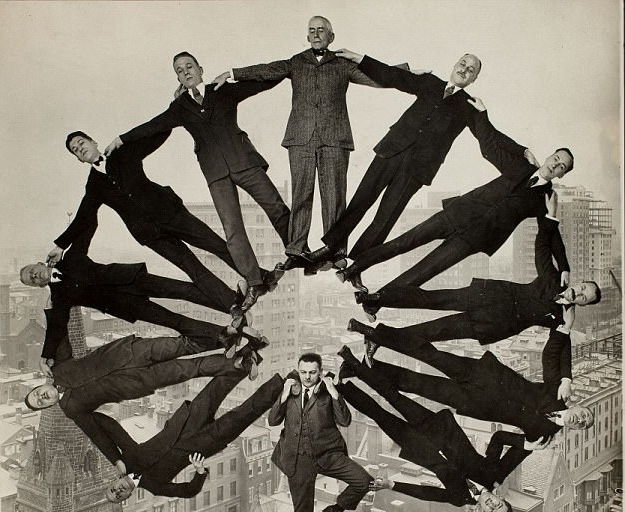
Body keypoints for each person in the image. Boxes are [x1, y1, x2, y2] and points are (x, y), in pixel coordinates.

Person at [105, 51, 290, 314]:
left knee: (275, 206)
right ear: (178, 78)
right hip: (216, 175)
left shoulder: (222, 90)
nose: (186, 72)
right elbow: (152, 126)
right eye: (180, 71)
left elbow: (265, 81)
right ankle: (255, 281)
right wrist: (121, 139)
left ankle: (296, 252)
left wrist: (237, 73)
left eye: (189, 66)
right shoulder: (179, 107)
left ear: (200, 69)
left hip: (245, 162)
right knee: (232, 230)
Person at [347, 105, 574, 303]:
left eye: (562, 166)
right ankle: (354, 269)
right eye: (556, 158)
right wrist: (484, 115)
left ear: (562, 175)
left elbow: (551, 236)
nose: (556, 165)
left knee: (423, 272)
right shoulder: (521, 165)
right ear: (549, 156)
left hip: (475, 239)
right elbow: (490, 146)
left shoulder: (547, 200)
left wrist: (563, 266)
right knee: (404, 242)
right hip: (457, 213)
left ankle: (375, 301)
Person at [213, 16, 388, 261]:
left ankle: (336, 251)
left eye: (322, 30)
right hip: (300, 138)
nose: (316, 34)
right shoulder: (296, 62)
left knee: (335, 197)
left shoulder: (342, 64)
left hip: (335, 140)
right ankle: (296, 249)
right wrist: (232, 73)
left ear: (331, 37)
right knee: (301, 194)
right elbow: (266, 70)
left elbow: (376, 78)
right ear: (307, 37)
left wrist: (408, 74)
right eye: (312, 31)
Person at [302, 50, 484, 283]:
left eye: (471, 70)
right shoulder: (430, 82)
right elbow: (390, 76)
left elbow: (489, 138)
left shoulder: (470, 107)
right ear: (455, 63)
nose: (464, 70)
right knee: (361, 200)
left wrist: (518, 148)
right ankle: (330, 249)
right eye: (463, 63)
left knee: (385, 218)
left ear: (474, 79)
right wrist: (359, 58)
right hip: (391, 150)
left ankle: (356, 265)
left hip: (418, 169)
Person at [348, 203, 601, 361]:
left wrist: (566, 329)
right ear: (578, 283)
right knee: (430, 298)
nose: (578, 294)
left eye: (584, 298)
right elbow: (542, 246)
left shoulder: (561, 319)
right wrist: (551, 217)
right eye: (582, 288)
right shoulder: (554, 279)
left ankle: (378, 336)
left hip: (491, 324)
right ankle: (376, 298)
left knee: (430, 332)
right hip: (484, 295)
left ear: (584, 305)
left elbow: (556, 354)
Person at [47, 130, 242, 322]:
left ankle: (258, 278)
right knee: (192, 267)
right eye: (75, 150)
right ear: (79, 160)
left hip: (171, 214)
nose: (79, 149)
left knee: (215, 244)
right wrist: (60, 246)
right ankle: (232, 303)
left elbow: (157, 135)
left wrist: (124, 138)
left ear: (93, 142)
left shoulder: (122, 154)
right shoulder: (94, 186)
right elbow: (83, 218)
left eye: (81, 143)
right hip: (149, 234)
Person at [338, 345, 532, 512]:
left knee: (378, 414)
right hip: (437, 428)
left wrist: (392, 485)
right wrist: (528, 443)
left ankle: (341, 386)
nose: (492, 506)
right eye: (499, 505)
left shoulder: (459, 499)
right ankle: (354, 363)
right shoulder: (494, 475)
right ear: (500, 499)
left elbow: (427, 494)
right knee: (393, 396)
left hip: (417, 446)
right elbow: (500, 439)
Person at [24, 332, 263, 462]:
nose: (42, 397)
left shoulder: (59, 368)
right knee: (190, 369)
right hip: (137, 383)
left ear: (39, 387)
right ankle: (243, 359)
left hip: (129, 352)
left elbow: (59, 333)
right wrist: (117, 460)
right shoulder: (72, 409)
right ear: (48, 406)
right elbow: (97, 434)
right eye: (40, 402)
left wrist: (46, 352)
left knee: (181, 344)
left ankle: (232, 333)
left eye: (37, 394)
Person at [20, 241, 238, 374]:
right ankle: (224, 336)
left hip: (133, 280)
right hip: (126, 306)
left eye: (32, 271)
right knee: (174, 321)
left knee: (182, 290)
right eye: (32, 280)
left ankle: (233, 303)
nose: (35, 276)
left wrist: (61, 245)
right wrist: (45, 356)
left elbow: (87, 226)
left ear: (40, 264)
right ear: (37, 286)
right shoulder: (59, 297)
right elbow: (56, 327)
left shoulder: (69, 259)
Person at [352, 336, 594, 444]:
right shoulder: (559, 394)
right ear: (579, 406)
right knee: (433, 356)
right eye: (584, 414)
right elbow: (552, 355)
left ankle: (367, 366)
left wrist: (526, 445)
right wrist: (567, 377)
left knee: (418, 384)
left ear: (575, 429)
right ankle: (379, 336)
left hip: (473, 402)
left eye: (582, 424)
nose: (580, 419)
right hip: (485, 375)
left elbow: (507, 439)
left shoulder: (544, 435)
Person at [268, 353, 372, 512]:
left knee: (363, 480)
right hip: (298, 457)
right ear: (298, 370)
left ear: (320, 371)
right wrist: (284, 395)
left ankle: (336, 510)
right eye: (303, 372)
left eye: (312, 372)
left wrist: (335, 393)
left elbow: (344, 421)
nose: (307, 377)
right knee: (301, 511)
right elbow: (272, 421)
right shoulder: (291, 391)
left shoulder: (327, 392)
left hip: (328, 453)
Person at [103, 370, 284, 500]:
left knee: (216, 388)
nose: (118, 491)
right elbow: (188, 491)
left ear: (115, 480)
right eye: (119, 496)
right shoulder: (155, 487)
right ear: (127, 496)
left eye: (113, 489)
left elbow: (114, 430)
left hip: (186, 423)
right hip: (205, 444)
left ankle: (247, 358)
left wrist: (89, 416)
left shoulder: (128, 459)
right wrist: (199, 471)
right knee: (244, 414)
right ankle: (283, 382)